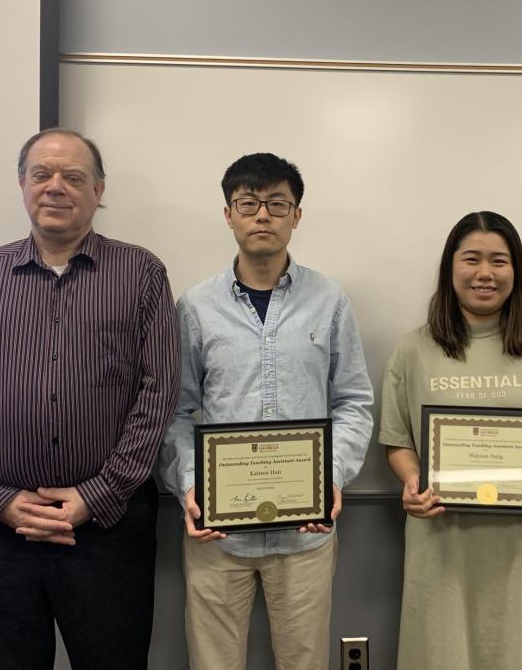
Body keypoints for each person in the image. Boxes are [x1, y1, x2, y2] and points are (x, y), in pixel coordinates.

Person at [0, 128, 180, 670]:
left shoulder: (142, 275)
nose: (56, 187)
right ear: (22, 184)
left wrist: (98, 494)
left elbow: (157, 397)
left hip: (107, 536)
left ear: (98, 189)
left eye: (73, 176)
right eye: (41, 174)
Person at [159, 152, 374, 670]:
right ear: (228, 213)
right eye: (248, 203)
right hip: (217, 534)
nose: (263, 215)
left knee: (304, 662)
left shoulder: (330, 301)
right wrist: (191, 486)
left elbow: (354, 402)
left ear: (296, 215)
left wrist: (331, 476)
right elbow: (176, 412)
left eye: (277, 203)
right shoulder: (194, 307)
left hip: (305, 534)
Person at [379, 210, 522, 670]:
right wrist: (412, 479)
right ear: (450, 267)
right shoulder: (413, 349)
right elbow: (397, 440)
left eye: (499, 261)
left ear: (515, 271)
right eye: (471, 259)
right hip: (443, 540)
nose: (485, 273)